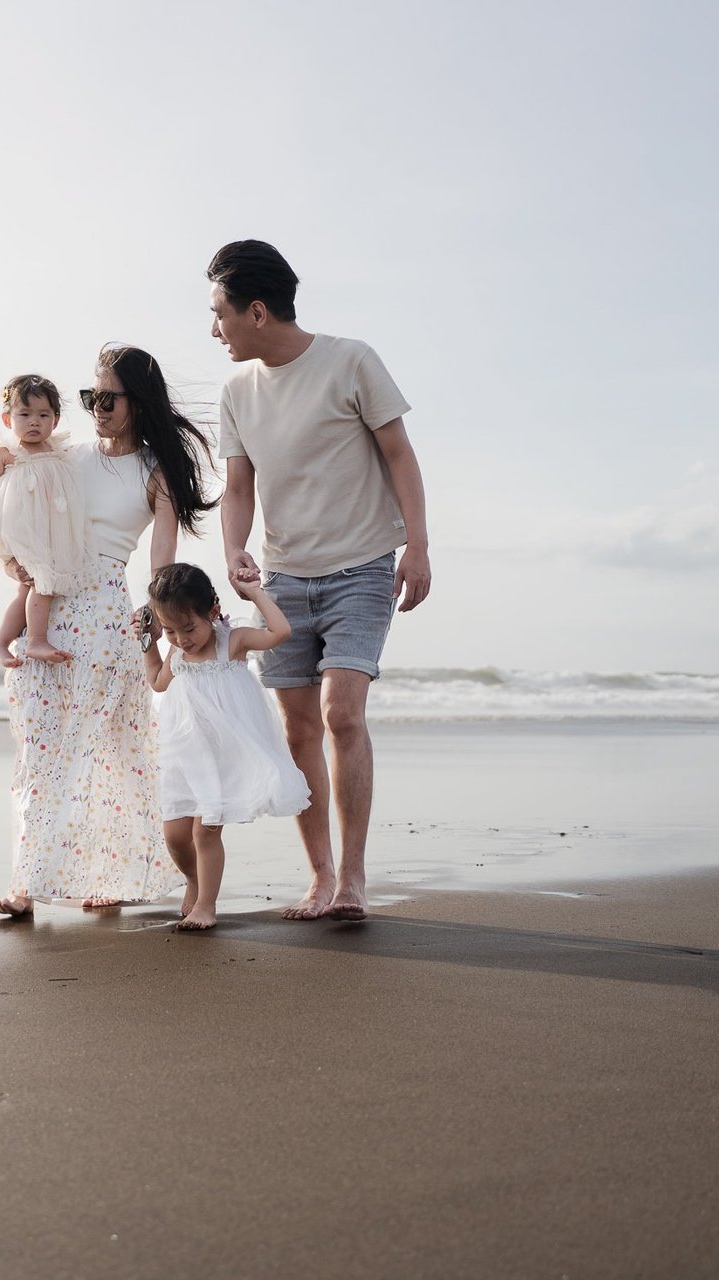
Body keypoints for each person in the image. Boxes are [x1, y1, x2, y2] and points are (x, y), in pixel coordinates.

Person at [207, 239, 432, 922]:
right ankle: (320, 874)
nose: (212, 328)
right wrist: (235, 549)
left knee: (341, 713)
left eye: (218, 313)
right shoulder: (237, 390)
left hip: (362, 565)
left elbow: (399, 453)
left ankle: (355, 877)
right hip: (283, 576)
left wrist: (417, 548)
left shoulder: (351, 360)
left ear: (256, 310)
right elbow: (238, 485)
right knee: (299, 727)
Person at [0, 345, 218, 918]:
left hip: (109, 618)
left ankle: (109, 873)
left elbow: (161, 565)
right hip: (50, 608)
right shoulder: (66, 456)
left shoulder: (156, 474)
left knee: (107, 752)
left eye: (108, 397)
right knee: (40, 748)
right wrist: (4, 549)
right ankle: (24, 883)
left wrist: (161, 630)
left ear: (138, 400)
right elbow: (13, 505)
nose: (97, 407)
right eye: (91, 397)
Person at [138, 563, 310, 931]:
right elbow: (157, 683)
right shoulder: (177, 653)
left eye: (188, 628)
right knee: (175, 836)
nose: (182, 639)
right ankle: (195, 880)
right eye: (170, 630)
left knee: (205, 831)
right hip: (185, 755)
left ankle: (206, 905)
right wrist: (149, 642)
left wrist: (255, 592)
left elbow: (281, 631)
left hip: (225, 755)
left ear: (213, 612)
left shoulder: (233, 641)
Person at [0, 374, 89, 666]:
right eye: (25, 414)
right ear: (8, 420)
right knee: (40, 583)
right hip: (21, 529)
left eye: (43, 415)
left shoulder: (58, 451)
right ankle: (36, 641)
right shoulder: (6, 452)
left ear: (55, 421)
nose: (34, 421)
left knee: (29, 587)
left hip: (49, 533)